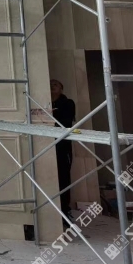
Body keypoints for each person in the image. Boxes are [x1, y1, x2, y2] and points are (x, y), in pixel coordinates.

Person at [51, 79, 76, 229]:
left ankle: (65, 211)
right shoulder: (45, 102)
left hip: (62, 145)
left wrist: (52, 114)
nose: (52, 86)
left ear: (61, 88)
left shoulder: (67, 103)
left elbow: (67, 122)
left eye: (55, 84)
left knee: (63, 177)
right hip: (47, 144)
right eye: (50, 84)